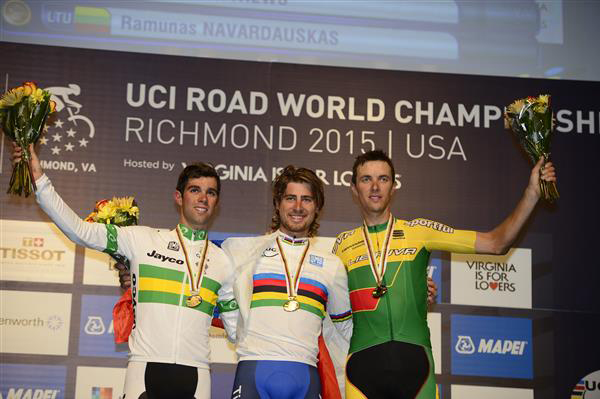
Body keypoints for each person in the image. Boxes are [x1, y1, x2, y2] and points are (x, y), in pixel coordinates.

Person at [11, 144, 238, 399]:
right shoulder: (142, 240)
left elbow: (239, 331)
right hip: (144, 369)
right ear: (178, 196)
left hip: (197, 376)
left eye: (211, 193)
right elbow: (79, 230)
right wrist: (40, 180)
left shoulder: (223, 261)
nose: (203, 198)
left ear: (216, 202)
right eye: (195, 190)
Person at [333, 150, 557, 399]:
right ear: (354, 189)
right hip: (362, 369)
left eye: (383, 179)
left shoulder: (420, 230)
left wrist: (532, 193)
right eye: (366, 179)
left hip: (416, 368)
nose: (375, 186)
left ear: (394, 187)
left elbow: (496, 243)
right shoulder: (341, 245)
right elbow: (327, 304)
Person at [221, 166, 353, 399]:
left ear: (317, 207)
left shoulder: (332, 265)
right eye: (290, 198)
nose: (298, 207)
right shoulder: (245, 252)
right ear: (278, 203)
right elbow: (204, 275)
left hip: (305, 374)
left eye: (307, 199)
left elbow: (348, 329)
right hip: (253, 368)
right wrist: (236, 331)